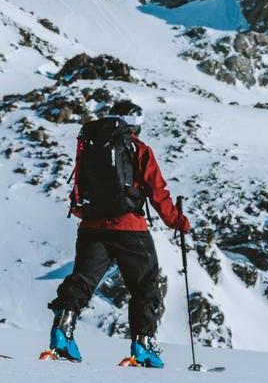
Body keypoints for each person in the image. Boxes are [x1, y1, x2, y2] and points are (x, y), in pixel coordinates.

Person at [42, 100, 191, 368]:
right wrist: (177, 221)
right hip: (129, 228)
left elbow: (79, 188)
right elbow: (157, 191)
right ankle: (143, 346)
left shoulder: (90, 147)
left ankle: (62, 334)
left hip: (91, 226)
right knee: (146, 285)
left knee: (83, 280)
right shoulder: (138, 149)